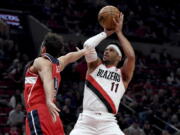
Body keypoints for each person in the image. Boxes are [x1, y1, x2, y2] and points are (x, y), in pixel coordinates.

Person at [70, 13, 135, 135]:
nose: (106, 51)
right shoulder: (95, 66)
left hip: (108, 122)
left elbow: (131, 56)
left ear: (119, 57)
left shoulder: (123, 74)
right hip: (86, 121)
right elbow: (88, 45)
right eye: (106, 49)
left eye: (111, 50)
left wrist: (119, 33)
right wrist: (106, 32)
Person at [23, 32, 89, 135]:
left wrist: (49, 100)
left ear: (43, 48)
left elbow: (47, 78)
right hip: (54, 116)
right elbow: (70, 56)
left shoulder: (40, 61)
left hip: (40, 112)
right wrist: (84, 52)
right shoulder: (58, 64)